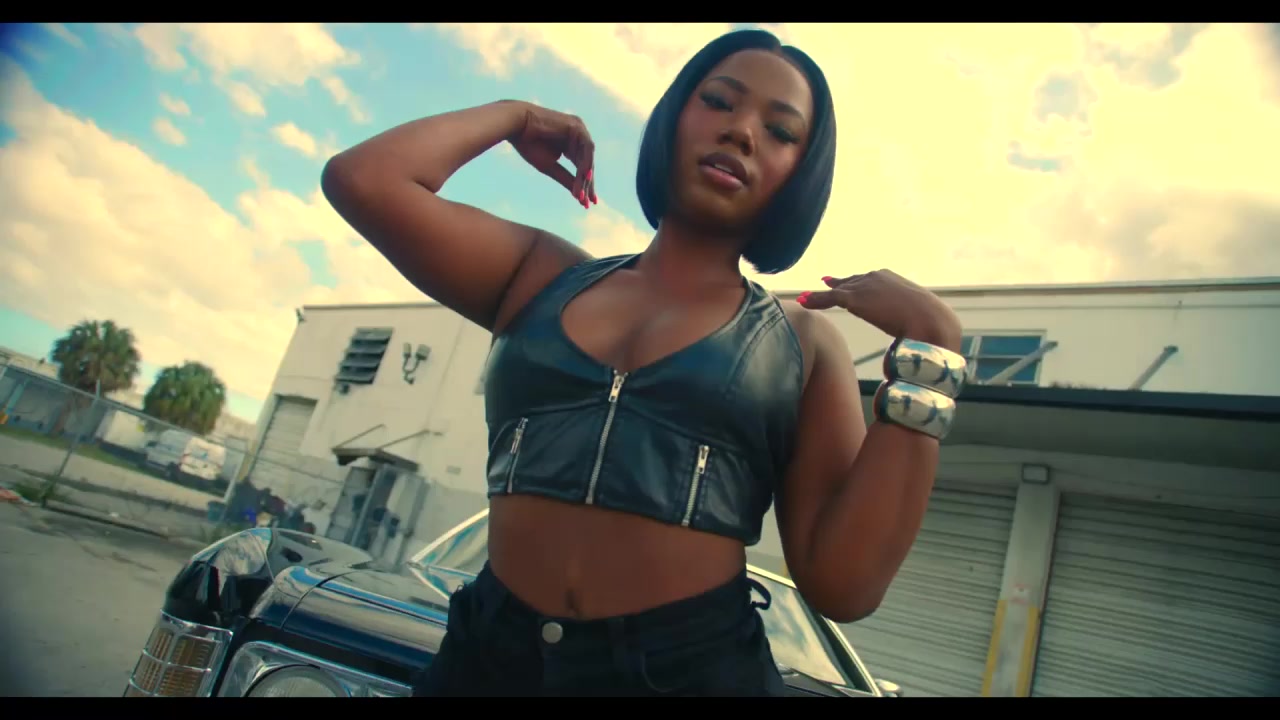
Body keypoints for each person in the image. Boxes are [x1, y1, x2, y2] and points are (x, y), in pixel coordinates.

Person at [322, 28, 965, 697]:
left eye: (780, 131)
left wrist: (933, 348)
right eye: (718, 101)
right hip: (485, 662)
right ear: (673, 119)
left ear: (800, 174)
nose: (742, 131)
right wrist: (516, 115)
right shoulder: (537, 274)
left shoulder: (802, 343)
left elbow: (844, 586)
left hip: (691, 675)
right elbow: (363, 179)